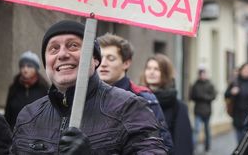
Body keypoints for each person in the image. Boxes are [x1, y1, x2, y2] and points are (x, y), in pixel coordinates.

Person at [11, 20, 167, 154]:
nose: (62, 54)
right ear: (45, 63)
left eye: (73, 46)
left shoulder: (129, 109)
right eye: (54, 48)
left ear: (95, 59)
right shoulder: (28, 117)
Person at [96, 33, 173, 151]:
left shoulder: (143, 98)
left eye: (111, 58)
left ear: (126, 63)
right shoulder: (84, 96)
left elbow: (163, 144)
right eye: (100, 58)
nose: (103, 63)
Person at [140, 53, 194, 155]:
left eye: (157, 69)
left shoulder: (178, 107)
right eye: (148, 68)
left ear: (165, 73)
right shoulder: (136, 99)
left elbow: (183, 146)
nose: (151, 72)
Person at [4, 51, 49, 129]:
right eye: (22, 66)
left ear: (36, 69)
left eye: (29, 66)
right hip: (15, 135)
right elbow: (8, 115)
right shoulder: (14, 88)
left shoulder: (44, 89)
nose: (25, 70)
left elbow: (48, 118)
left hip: (37, 137)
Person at [224, 62, 248, 142]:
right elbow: (226, 95)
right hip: (237, 116)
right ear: (241, 70)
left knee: (247, 142)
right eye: (245, 69)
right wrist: (231, 92)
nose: (247, 71)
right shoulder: (235, 82)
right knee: (239, 141)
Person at [189, 67, 217, 153]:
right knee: (196, 130)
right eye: (201, 74)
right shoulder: (195, 84)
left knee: (207, 131)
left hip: (207, 111)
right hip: (198, 110)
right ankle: (193, 148)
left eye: (204, 74)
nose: (203, 76)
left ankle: (207, 147)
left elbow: (213, 96)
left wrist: (204, 97)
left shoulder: (210, 84)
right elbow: (191, 96)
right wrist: (199, 96)